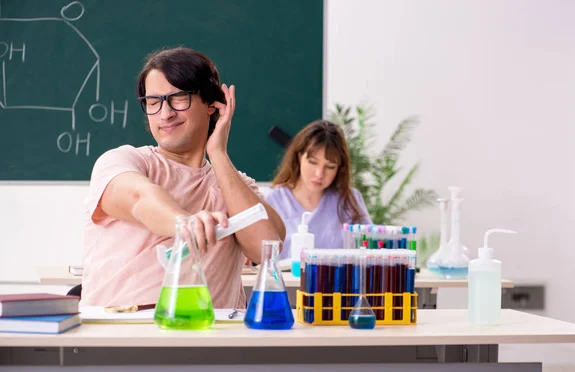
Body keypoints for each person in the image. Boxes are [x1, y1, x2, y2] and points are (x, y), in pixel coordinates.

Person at [80, 47, 285, 308]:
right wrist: (186, 223)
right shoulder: (124, 161)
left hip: (209, 339)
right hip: (124, 334)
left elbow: (267, 249)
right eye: (153, 102)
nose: (165, 114)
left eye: (178, 98)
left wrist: (218, 154)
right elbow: (139, 199)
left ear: (213, 103)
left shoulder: (237, 185)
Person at [265, 120, 372, 258]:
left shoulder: (349, 200)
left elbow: (370, 250)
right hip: (286, 280)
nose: (319, 174)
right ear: (299, 157)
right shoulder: (272, 201)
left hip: (338, 279)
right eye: (313, 162)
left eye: (330, 167)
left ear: (340, 168)